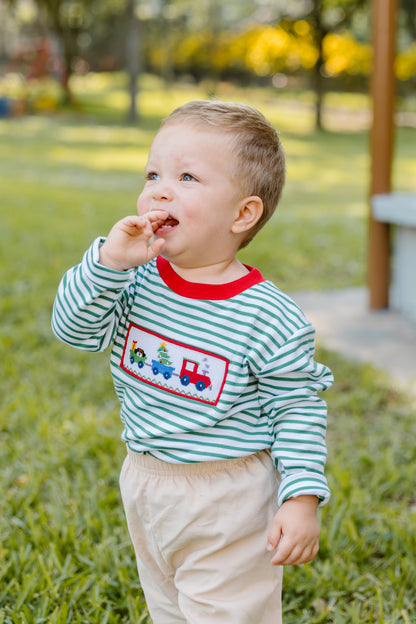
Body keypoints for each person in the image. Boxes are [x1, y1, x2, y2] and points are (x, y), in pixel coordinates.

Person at [52, 99, 333, 623]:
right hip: (145, 481)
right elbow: (72, 328)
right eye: (153, 173)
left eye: (186, 177)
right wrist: (108, 263)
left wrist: (301, 497)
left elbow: (296, 407)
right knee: (169, 610)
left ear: (243, 213)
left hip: (228, 497)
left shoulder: (267, 315)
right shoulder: (131, 278)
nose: (160, 189)